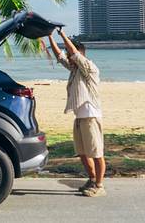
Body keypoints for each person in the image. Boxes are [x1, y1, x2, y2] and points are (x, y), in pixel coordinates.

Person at [47, 28, 106, 198]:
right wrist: (50, 36)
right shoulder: (75, 70)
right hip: (80, 117)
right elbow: (60, 56)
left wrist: (62, 34)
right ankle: (92, 179)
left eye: (72, 56)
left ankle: (99, 185)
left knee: (96, 153)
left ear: (80, 55)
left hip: (91, 116)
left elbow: (73, 53)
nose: (69, 58)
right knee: (82, 152)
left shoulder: (89, 68)